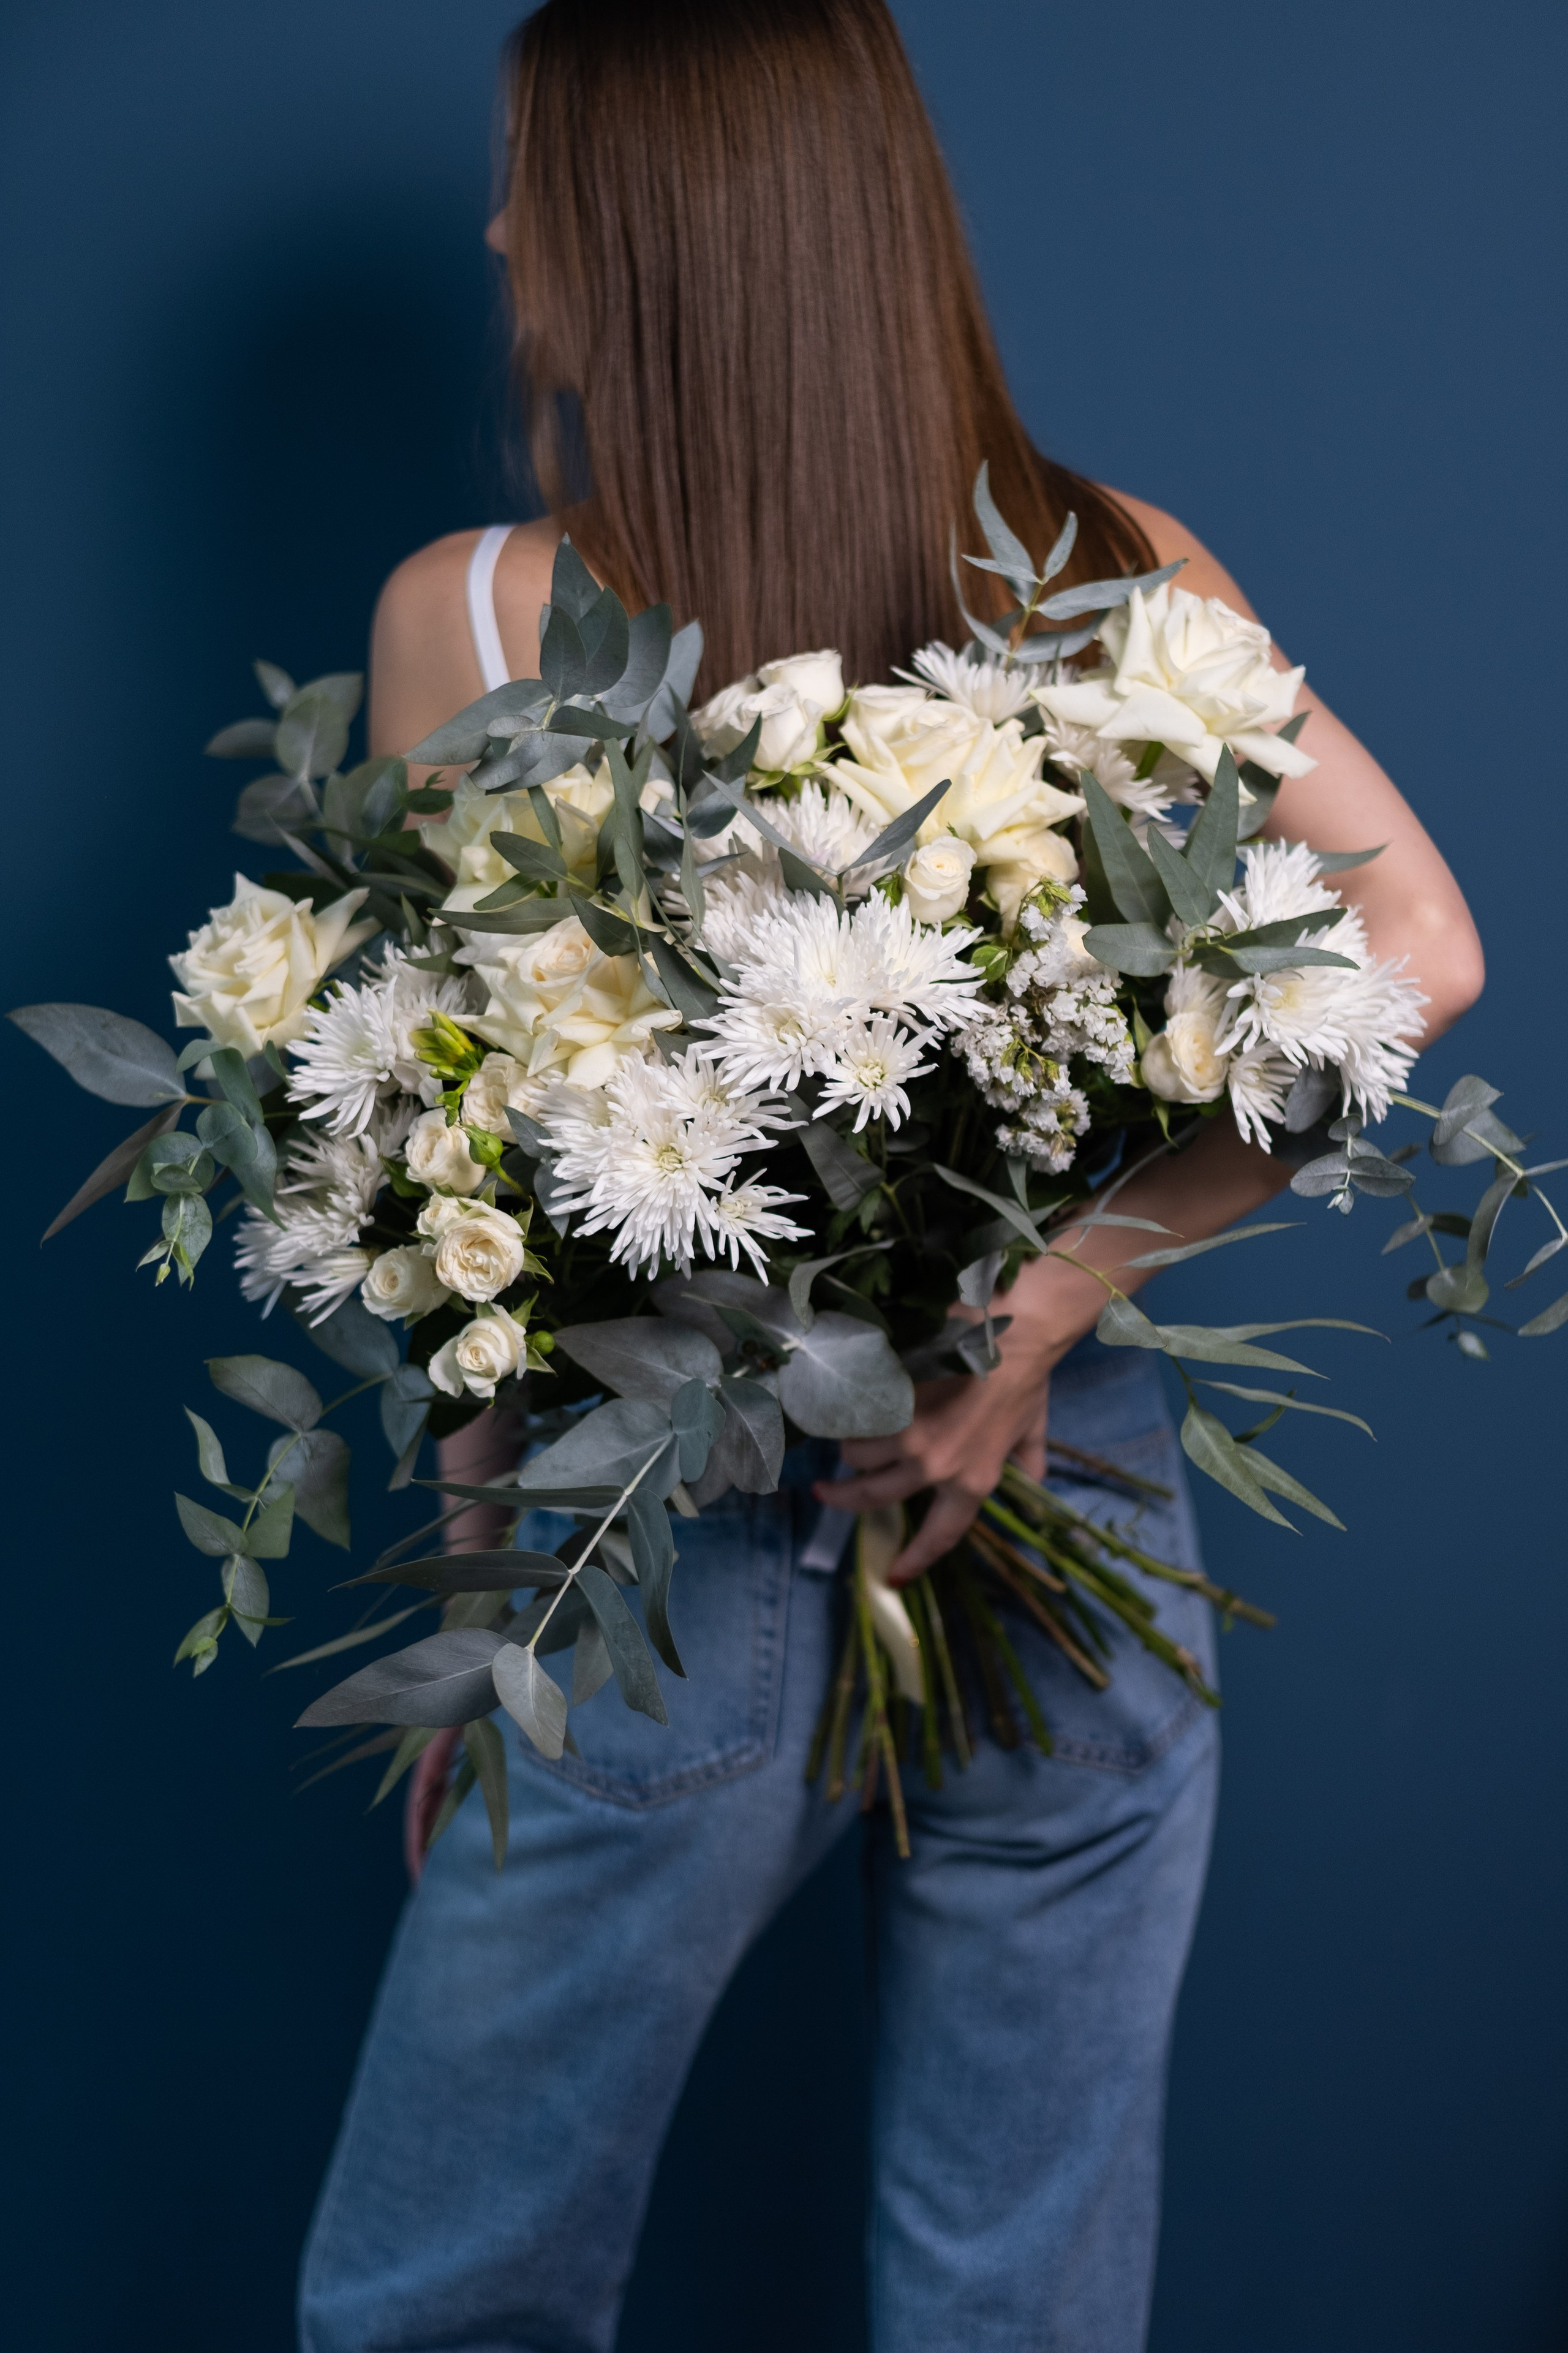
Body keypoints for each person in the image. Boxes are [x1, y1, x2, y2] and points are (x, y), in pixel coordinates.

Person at [298, 5, 1483, 2349]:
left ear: (654, 233)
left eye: (537, 179)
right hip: (1064, 1490)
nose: (502, 233)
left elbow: (453, 1177)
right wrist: (1038, 1309)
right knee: (1017, 2304)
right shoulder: (1104, 567)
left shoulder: (467, 620)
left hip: (681, 1511)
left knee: (443, 2301)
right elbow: (1421, 946)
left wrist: (492, 1601)